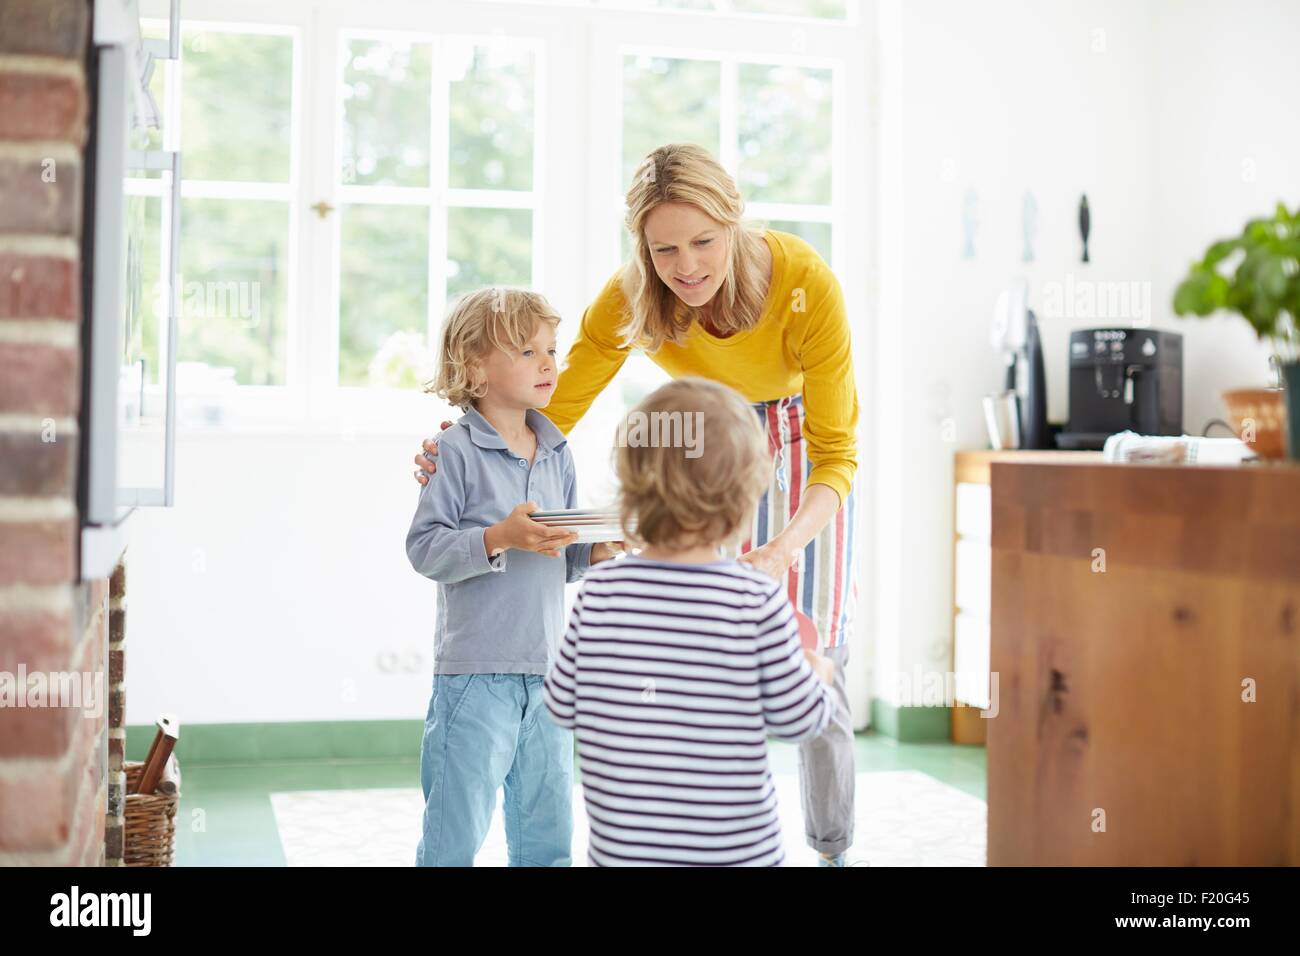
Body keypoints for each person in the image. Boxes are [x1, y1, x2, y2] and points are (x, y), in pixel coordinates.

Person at [414, 143, 860, 865]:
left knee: (820, 643)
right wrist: (467, 447)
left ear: (734, 220)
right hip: (702, 424)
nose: (685, 267)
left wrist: (785, 548)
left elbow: (838, 451)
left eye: (704, 242)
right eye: (664, 250)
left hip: (803, 431)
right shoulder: (630, 300)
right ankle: (681, 812)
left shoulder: (806, 282)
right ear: (642, 248)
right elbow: (549, 408)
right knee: (698, 637)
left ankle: (832, 844)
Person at [544, 377, 836, 866]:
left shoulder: (599, 593)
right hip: (735, 855)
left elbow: (561, 705)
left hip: (624, 855)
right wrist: (817, 677)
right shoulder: (755, 600)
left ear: (632, 490)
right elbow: (798, 719)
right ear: (742, 501)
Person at [406, 287, 620, 866]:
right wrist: (500, 536)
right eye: (528, 352)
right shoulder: (454, 452)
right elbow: (425, 550)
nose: (549, 363)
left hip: (548, 672)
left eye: (551, 349)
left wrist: (601, 549)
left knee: (548, 834)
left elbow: (563, 556)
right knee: (455, 827)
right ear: (475, 368)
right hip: (476, 674)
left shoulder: (557, 452)